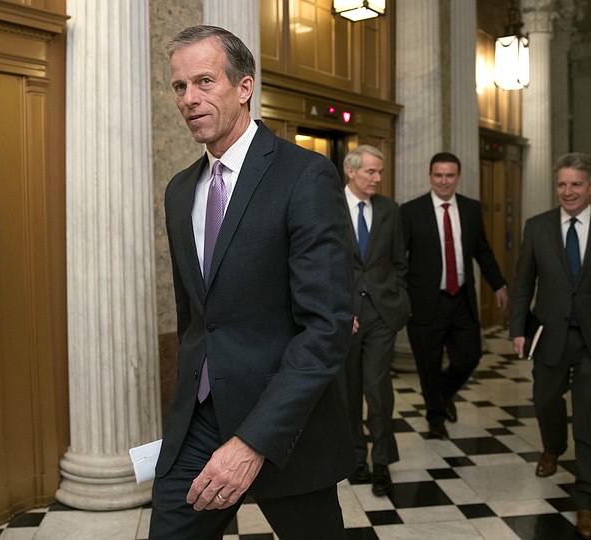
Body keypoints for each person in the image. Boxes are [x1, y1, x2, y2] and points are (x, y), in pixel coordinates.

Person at [150, 25, 355, 540]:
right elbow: (196, 316)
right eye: (179, 86)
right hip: (198, 420)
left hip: (285, 426)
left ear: (244, 87)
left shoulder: (304, 176)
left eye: (203, 81)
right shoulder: (180, 192)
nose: (189, 99)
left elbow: (327, 327)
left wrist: (253, 442)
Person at [509, 152, 591, 540]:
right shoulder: (538, 227)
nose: (567, 191)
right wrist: (518, 328)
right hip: (550, 336)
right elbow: (523, 284)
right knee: (545, 400)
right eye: (562, 184)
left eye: (576, 184)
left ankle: (588, 501)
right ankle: (552, 446)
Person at [401, 152, 508, 439]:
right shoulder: (411, 211)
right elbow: (399, 259)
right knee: (428, 364)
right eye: (438, 175)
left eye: (450, 175)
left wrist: (498, 284)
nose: (444, 181)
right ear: (430, 176)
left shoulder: (471, 209)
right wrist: (401, 299)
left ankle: (442, 393)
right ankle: (435, 417)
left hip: (461, 299)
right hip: (425, 303)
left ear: (457, 177)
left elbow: (482, 250)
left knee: (469, 356)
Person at [338, 145, 410, 496]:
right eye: (371, 171)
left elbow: (400, 262)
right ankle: (355, 457)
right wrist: (340, 310)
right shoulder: (330, 207)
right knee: (349, 389)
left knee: (377, 388)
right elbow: (323, 264)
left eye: (380, 172)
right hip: (345, 316)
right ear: (351, 171)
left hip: (382, 312)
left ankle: (381, 461)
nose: (378, 178)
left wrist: (398, 301)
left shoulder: (389, 210)